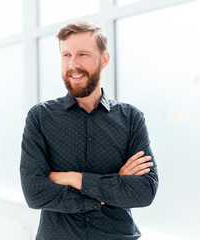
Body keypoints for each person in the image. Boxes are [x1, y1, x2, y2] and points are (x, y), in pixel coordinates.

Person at [20, 21, 159, 240]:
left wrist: (74, 179)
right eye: (66, 55)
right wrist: (113, 185)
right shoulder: (40, 117)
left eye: (82, 54)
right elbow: (35, 193)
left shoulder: (131, 118)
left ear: (104, 60)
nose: (72, 64)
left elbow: (145, 191)